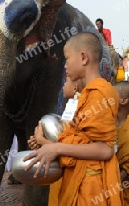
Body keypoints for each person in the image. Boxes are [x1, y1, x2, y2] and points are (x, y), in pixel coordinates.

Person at [24, 32, 122, 205]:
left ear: (84, 57)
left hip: (91, 186)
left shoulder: (99, 93)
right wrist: (45, 143)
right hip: (79, 178)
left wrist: (55, 148)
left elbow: (104, 150)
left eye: (67, 58)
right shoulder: (87, 95)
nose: (65, 65)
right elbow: (79, 139)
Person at [28, 75, 84, 206]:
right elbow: (62, 141)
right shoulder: (70, 107)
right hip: (62, 175)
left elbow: (74, 152)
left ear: (75, 87)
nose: (63, 86)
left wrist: (42, 140)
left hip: (75, 177)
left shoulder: (83, 111)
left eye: (65, 82)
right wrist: (40, 144)